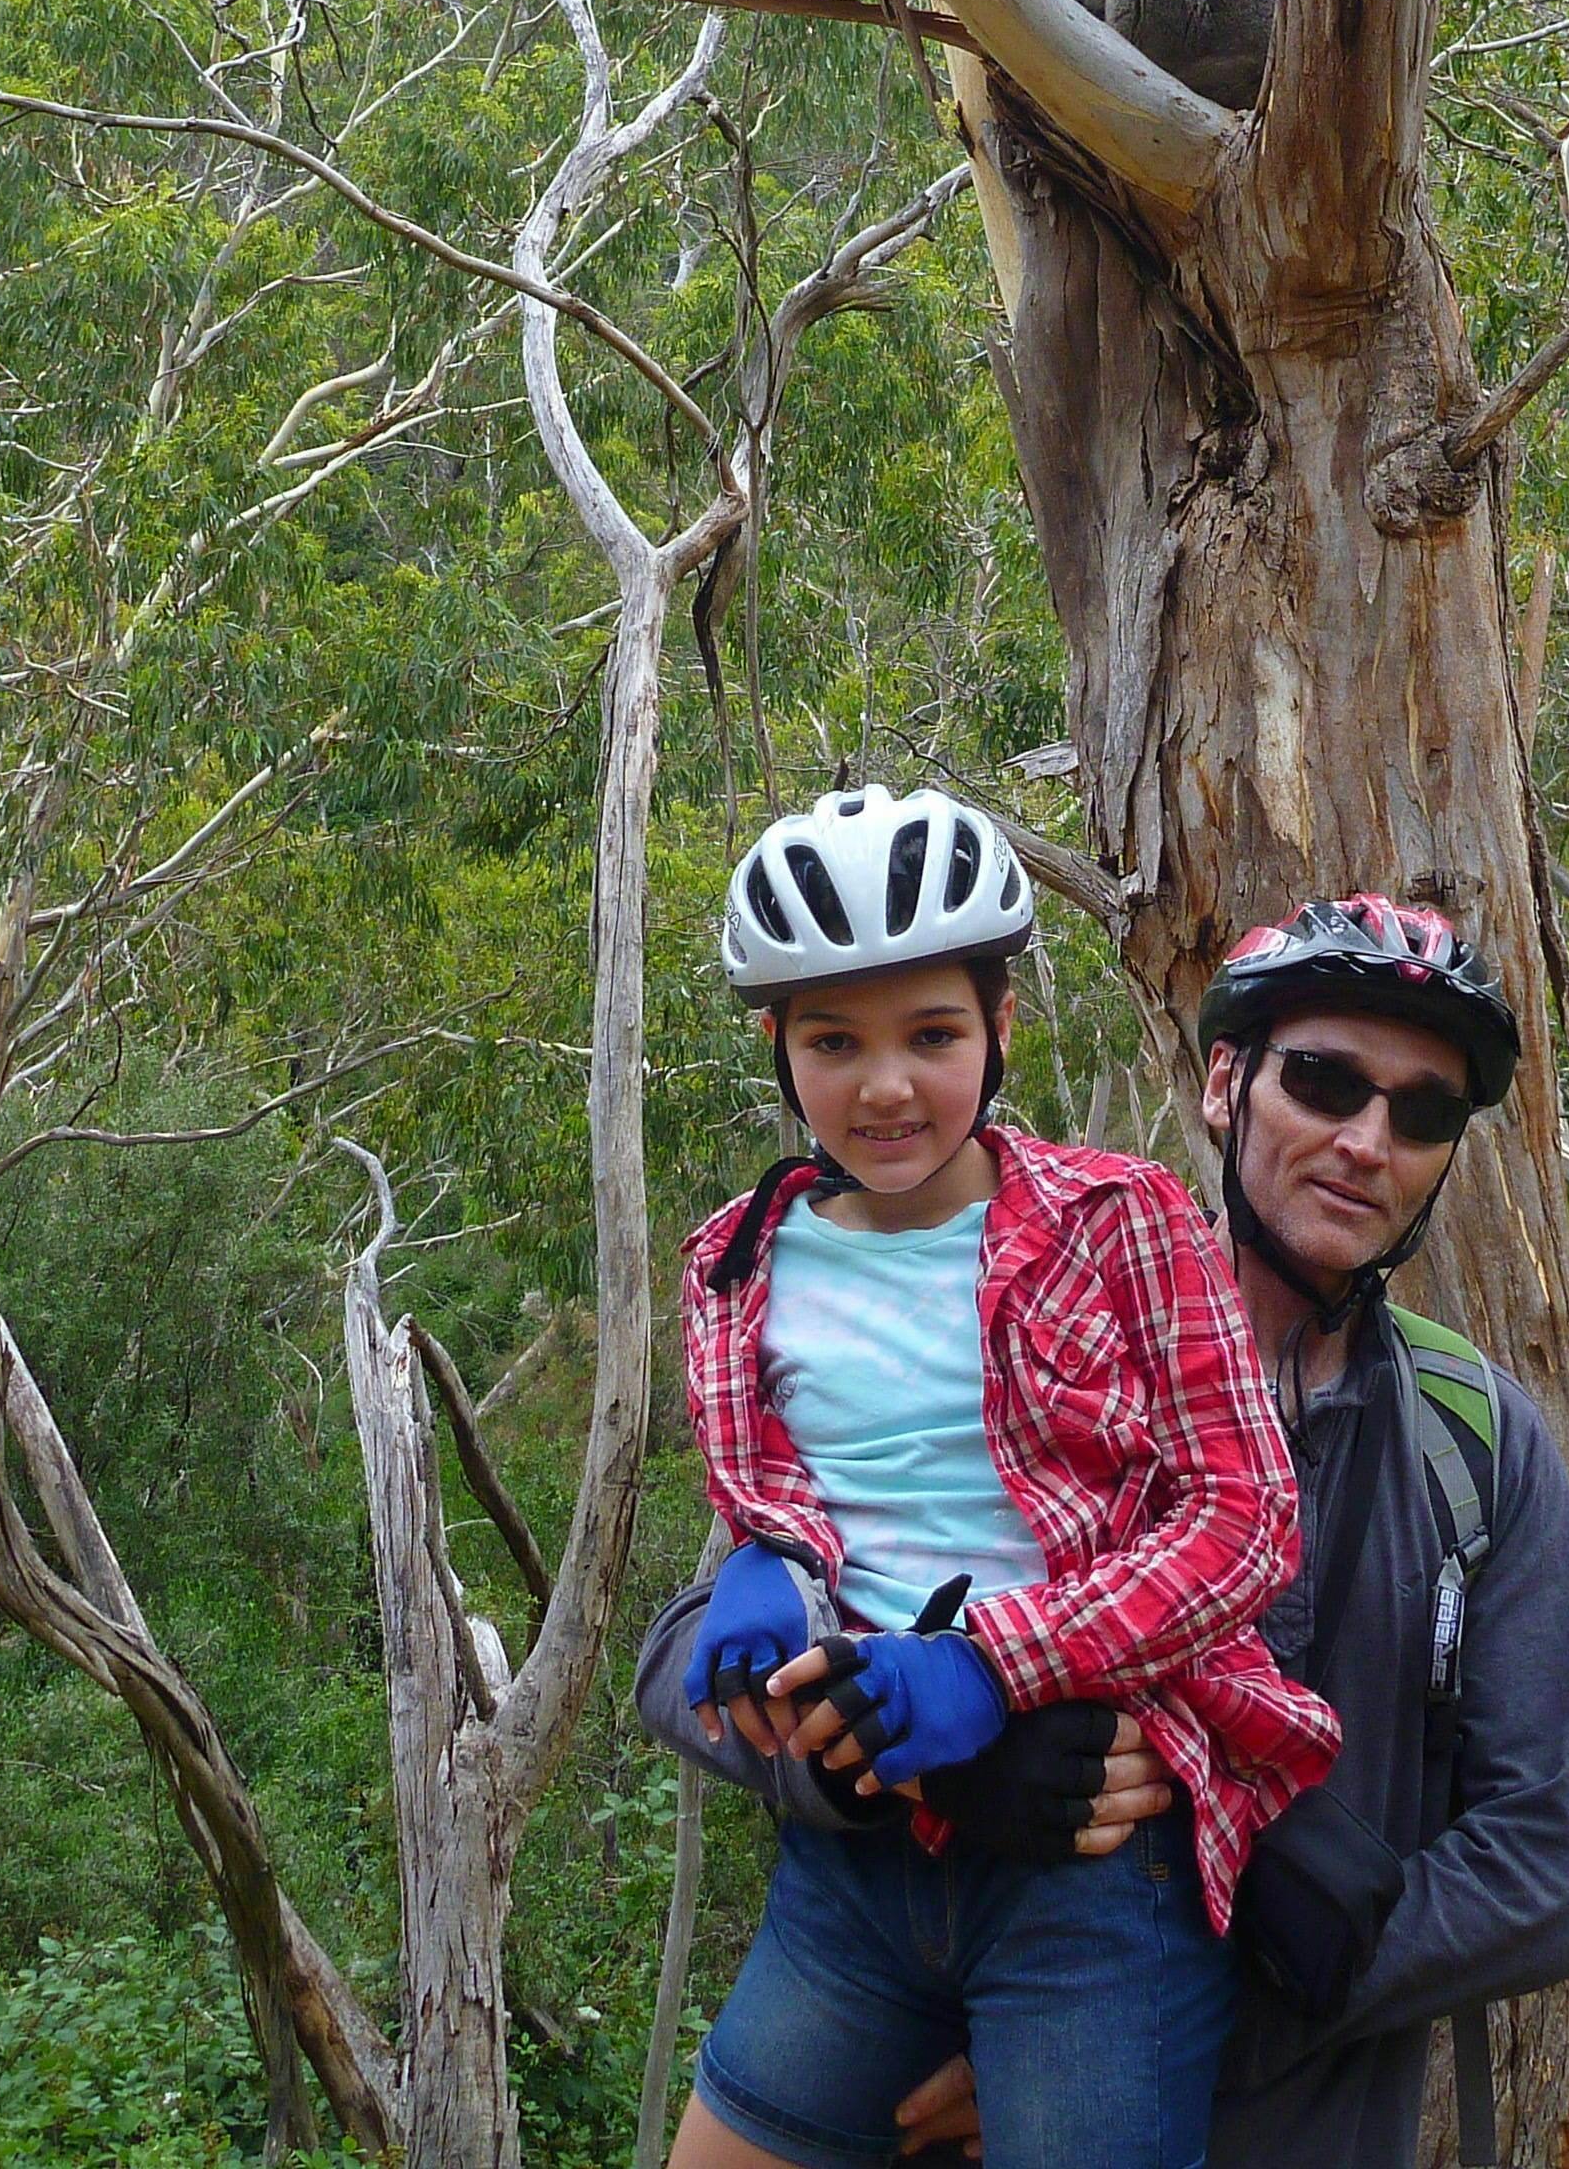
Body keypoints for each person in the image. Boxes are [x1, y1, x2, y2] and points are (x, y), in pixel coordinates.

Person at [642, 783, 1339, 2169]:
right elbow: (773, 1491)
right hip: (855, 1867)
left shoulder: (1121, 1220)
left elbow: (1249, 1518)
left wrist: (991, 1663)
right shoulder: (734, 1259)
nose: (884, 1084)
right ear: (780, 1047)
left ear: (1002, 1030)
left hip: (1094, 1864)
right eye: (835, 1040)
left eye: (933, 1034)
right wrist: (765, 1574)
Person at [875, 893, 1569, 2169]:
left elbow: (1553, 1874)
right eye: (1326, 1083)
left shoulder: (1477, 1445)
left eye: (1423, 1112)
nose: (1367, 1142)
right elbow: (704, 1663)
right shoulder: (1031, 1336)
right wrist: (907, 1754)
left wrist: (1111, 2036)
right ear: (1227, 1085)